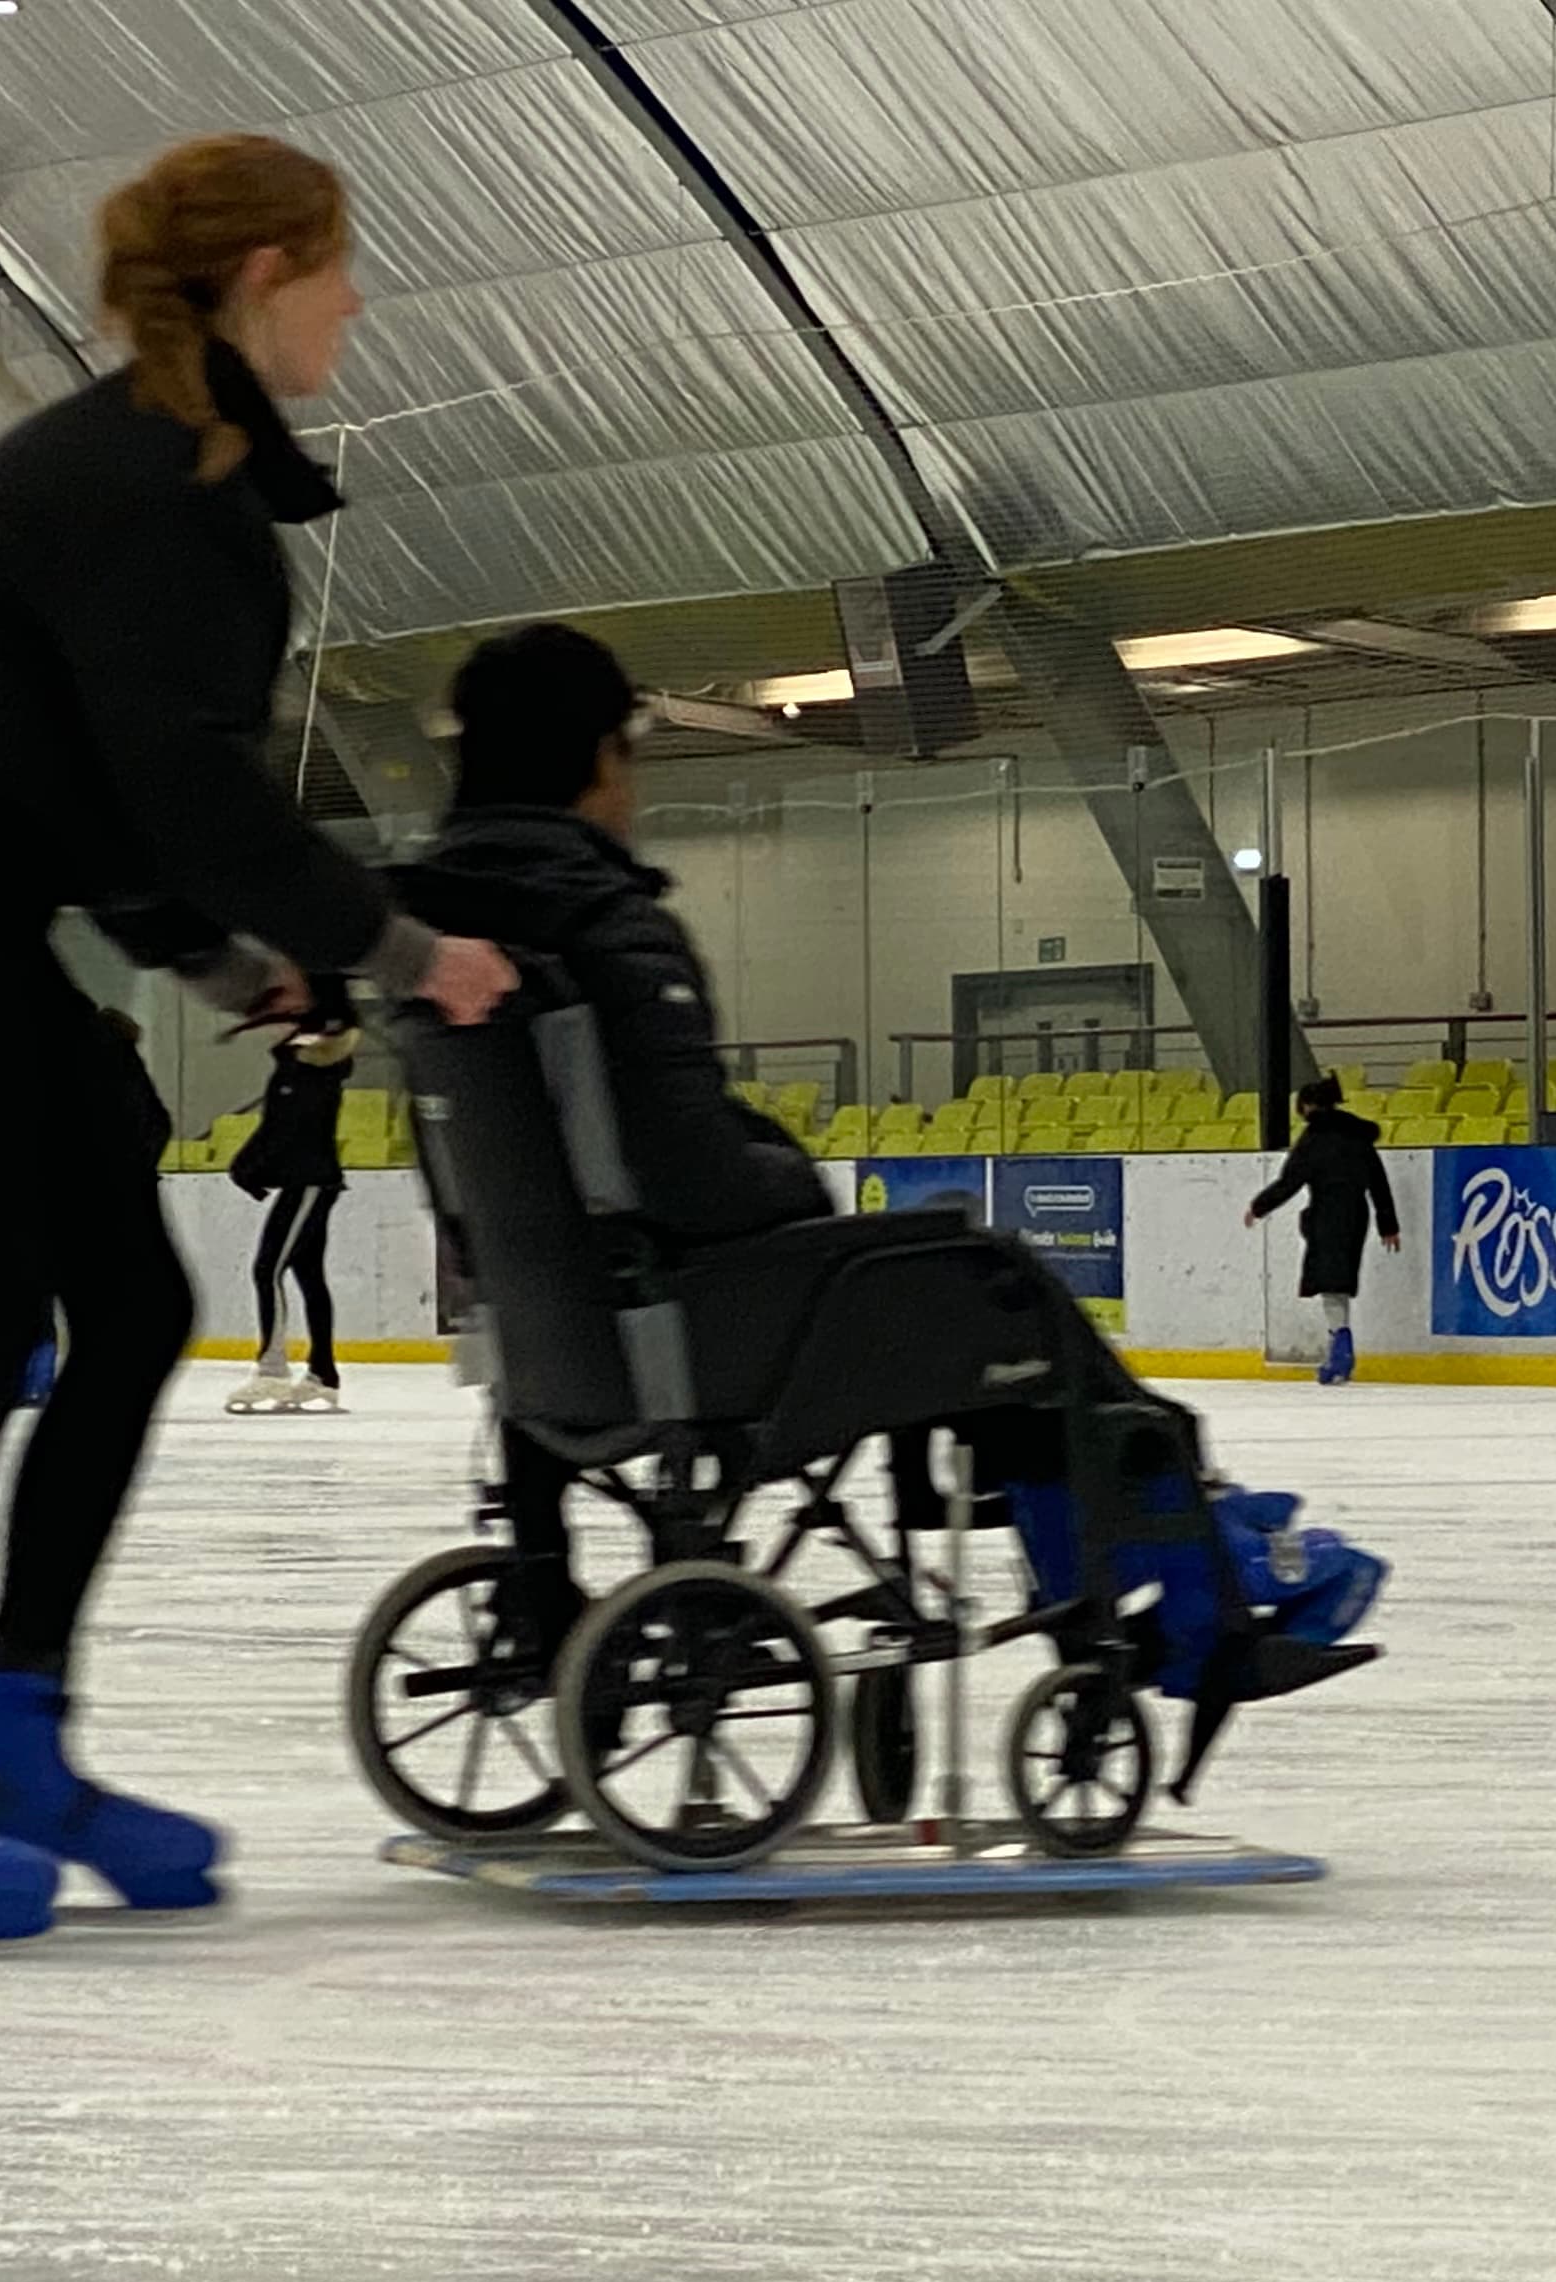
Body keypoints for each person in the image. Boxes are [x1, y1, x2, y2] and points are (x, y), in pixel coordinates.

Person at [0, 130, 515, 1942]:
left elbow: (93, 784)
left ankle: (20, 1735)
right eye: (339, 267)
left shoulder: (159, 468)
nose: (358, 302)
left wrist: (212, 965)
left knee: (122, 1306)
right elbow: (182, 792)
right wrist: (413, 950)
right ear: (264, 271)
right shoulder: (149, 480)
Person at [399, 623, 1380, 1712]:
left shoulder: (429, 944)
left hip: (551, 1337)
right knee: (993, 1276)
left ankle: (1149, 1545)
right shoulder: (603, 925)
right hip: (692, 1330)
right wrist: (796, 1182)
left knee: (961, 1287)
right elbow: (694, 1178)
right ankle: (1184, 1572)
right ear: (597, 760)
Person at [226, 998, 354, 1413]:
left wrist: (250, 1168)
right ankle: (323, 1374)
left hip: (310, 1183)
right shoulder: (293, 1069)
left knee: (268, 1269)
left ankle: (272, 1369)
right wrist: (250, 1168)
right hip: (306, 1182)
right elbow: (277, 1131)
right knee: (306, 1274)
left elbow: (284, 1133)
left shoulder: (311, 1071)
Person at [1242, 1074, 1398, 1382]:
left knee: (1330, 1282)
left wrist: (1259, 1206)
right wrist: (1387, 1224)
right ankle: (1338, 1343)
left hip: (1327, 1214)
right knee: (1337, 1281)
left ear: (1309, 1106)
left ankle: (1340, 1345)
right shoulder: (1358, 1136)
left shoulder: (1313, 1140)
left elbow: (1290, 1181)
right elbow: (1378, 1182)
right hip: (1356, 1215)